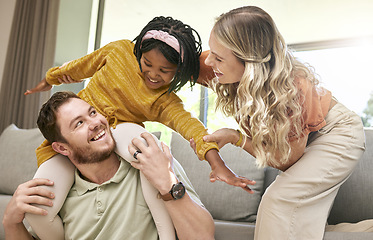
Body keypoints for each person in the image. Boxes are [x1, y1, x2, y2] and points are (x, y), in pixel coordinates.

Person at [23, 16, 254, 239]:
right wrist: (49, 80)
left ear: (178, 71)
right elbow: (79, 67)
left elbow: (191, 127)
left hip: (120, 133)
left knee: (143, 145)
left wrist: (217, 163)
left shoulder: (163, 100)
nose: (153, 74)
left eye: (165, 71)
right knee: (36, 210)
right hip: (78, 141)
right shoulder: (118, 52)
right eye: (147, 63)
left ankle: (166, 236)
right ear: (139, 53)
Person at [198, 6, 366, 240]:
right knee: (296, 222)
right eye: (211, 51)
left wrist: (236, 137)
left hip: (337, 133)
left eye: (218, 57)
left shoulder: (292, 92)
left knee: (280, 200)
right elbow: (175, 61)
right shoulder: (224, 68)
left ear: (249, 61)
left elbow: (284, 160)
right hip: (310, 135)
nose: (209, 60)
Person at [2, 91, 215, 240]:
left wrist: (168, 185)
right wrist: (11, 222)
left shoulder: (153, 164)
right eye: (79, 123)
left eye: (92, 113)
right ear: (62, 148)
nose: (95, 123)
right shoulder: (58, 194)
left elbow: (203, 237)